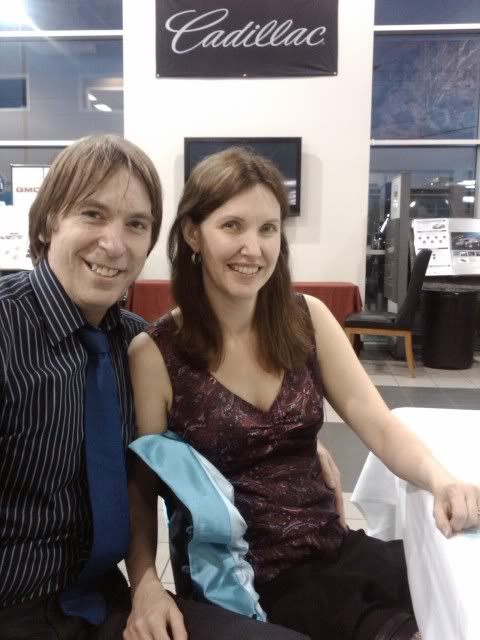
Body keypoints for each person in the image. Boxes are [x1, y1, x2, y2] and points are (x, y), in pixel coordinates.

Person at [128, 147, 480, 640]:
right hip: (246, 582)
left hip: (333, 548)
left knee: (452, 596)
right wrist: (145, 582)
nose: (253, 248)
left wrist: (442, 481)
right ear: (192, 233)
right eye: (232, 226)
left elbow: (377, 423)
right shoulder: (155, 354)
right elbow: (142, 490)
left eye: (268, 228)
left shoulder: (306, 319)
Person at [0, 135, 307, 640]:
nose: (114, 244)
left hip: (105, 602)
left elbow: (201, 444)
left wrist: (298, 446)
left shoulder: (140, 347)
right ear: (50, 219)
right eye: (93, 214)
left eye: (136, 224)